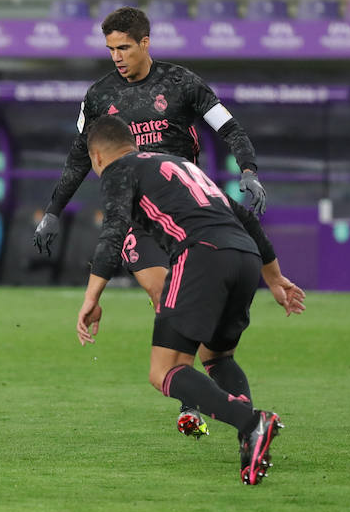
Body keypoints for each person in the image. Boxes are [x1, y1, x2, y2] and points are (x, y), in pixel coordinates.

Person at [34, 5, 267, 437]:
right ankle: (194, 395)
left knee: (188, 304)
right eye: (110, 49)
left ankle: (197, 396)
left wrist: (248, 169)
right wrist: (53, 210)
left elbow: (230, 128)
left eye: (124, 47)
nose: (117, 56)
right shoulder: (98, 96)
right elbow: (77, 157)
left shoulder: (182, 84)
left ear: (145, 43)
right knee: (162, 292)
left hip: (185, 216)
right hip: (136, 217)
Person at [76, 116, 304, 485]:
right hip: (245, 257)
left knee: (164, 371)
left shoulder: (118, 171)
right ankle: (251, 440)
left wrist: (92, 296)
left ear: (97, 157)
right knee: (216, 356)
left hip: (202, 256)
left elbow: (114, 232)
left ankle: (252, 421)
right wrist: (274, 277)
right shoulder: (177, 164)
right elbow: (244, 215)